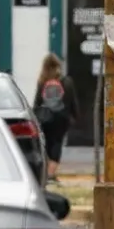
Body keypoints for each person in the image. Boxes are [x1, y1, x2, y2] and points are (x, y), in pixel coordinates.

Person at [32, 54, 76, 184]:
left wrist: (35, 116)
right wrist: (74, 116)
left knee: (45, 145)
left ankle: (47, 173)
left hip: (45, 118)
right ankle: (51, 174)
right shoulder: (66, 81)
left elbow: (37, 102)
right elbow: (72, 102)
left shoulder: (42, 81)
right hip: (61, 118)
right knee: (57, 144)